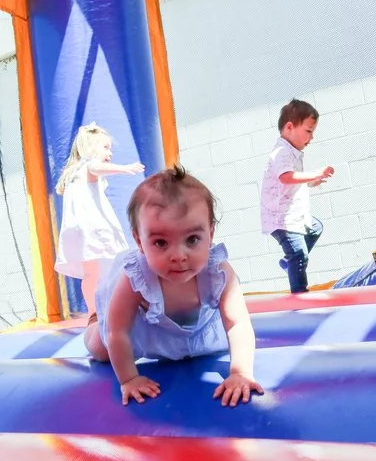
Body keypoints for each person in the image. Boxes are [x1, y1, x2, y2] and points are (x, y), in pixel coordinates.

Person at [84, 166, 263, 408]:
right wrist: (129, 378)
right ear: (139, 240)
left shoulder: (218, 273)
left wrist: (241, 372)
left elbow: (238, 323)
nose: (179, 255)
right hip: (145, 327)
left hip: (194, 328)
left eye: (192, 240)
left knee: (201, 351)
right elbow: (118, 331)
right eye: (160, 242)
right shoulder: (136, 277)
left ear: (210, 234)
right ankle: (94, 321)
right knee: (101, 349)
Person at [54, 123, 144, 313]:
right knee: (117, 266)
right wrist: (124, 168)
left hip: (79, 231)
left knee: (92, 274)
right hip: (94, 229)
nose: (109, 153)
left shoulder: (73, 173)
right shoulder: (88, 166)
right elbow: (97, 167)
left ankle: (95, 311)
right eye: (105, 148)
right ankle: (121, 305)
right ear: (90, 148)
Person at [260, 98, 335, 293]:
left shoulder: (292, 152)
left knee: (315, 228)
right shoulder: (281, 153)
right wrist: (315, 173)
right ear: (290, 127)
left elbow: (291, 182)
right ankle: (299, 293)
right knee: (300, 254)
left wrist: (311, 182)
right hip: (281, 219)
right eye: (308, 131)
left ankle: (288, 261)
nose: (311, 138)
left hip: (293, 216)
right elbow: (286, 177)